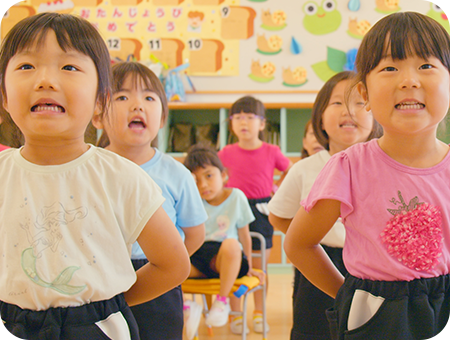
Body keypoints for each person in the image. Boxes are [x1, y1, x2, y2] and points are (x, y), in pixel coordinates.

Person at [0, 13, 190, 339]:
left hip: (97, 327)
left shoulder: (120, 176)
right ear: (3, 94)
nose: (45, 80)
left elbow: (173, 264)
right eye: (26, 66)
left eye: (69, 67)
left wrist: (109, 303)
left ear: (100, 100)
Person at [285, 11, 450, 339]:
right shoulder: (349, 166)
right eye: (390, 68)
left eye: (426, 65)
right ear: (365, 92)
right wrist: (344, 294)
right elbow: (298, 244)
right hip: (377, 314)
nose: (409, 80)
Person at [93, 61, 207, 340]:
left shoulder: (176, 173)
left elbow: (194, 234)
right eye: (122, 96)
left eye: (149, 97)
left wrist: (166, 263)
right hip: (100, 277)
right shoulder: (89, 169)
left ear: (163, 117)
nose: (137, 105)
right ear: (97, 116)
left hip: (158, 278)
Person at [268, 71, 382, 340]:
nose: (349, 111)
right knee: (315, 329)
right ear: (319, 116)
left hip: (372, 265)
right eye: (337, 103)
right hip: (319, 261)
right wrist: (309, 238)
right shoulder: (305, 169)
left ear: (375, 114)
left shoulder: (384, 167)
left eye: (359, 102)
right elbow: (278, 216)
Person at [218, 95, 291, 333]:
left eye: (250, 117)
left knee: (259, 267)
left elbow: (289, 170)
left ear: (261, 124)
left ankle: (260, 312)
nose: (244, 122)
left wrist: (277, 189)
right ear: (231, 123)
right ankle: (235, 312)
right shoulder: (226, 152)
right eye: (238, 117)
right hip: (233, 209)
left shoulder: (271, 150)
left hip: (261, 209)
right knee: (235, 264)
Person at [184, 143, 265, 335]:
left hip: (226, 258)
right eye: (195, 180)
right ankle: (186, 307)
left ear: (223, 175)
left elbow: (245, 235)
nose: (203, 185)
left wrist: (251, 267)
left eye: (209, 176)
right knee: (166, 263)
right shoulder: (192, 201)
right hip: (198, 257)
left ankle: (222, 302)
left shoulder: (236, 196)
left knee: (231, 243)